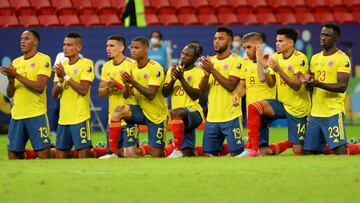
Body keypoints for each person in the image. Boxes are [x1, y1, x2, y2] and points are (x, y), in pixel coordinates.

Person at [239, 28, 311, 157]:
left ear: (290, 43)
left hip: (298, 108)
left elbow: (296, 86)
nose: (276, 43)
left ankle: (337, 147)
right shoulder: (276, 57)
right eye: (276, 40)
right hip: (282, 104)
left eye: (280, 41)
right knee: (254, 107)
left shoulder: (300, 58)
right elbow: (270, 83)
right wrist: (265, 67)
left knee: (299, 151)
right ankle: (254, 149)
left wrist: (279, 70)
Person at [101, 37, 168, 158]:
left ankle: (163, 148)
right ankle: (112, 152)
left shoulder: (155, 67)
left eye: (137, 47)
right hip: (140, 110)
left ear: (146, 50)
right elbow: (127, 94)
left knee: (156, 154)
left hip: (156, 114)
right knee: (118, 111)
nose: (133, 50)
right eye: (131, 47)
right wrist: (126, 86)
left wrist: (133, 82)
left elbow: (151, 94)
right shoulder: (132, 68)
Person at [299, 23, 355, 155]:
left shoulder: (342, 58)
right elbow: (311, 86)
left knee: (340, 151)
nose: (323, 38)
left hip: (333, 112)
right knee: (308, 152)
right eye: (322, 34)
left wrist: (318, 84)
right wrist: (306, 83)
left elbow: (342, 87)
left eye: (327, 35)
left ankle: (356, 146)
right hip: (316, 113)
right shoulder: (315, 58)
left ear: (335, 38)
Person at [0, 30, 52, 159]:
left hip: (36, 114)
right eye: (21, 39)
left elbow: (40, 87)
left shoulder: (43, 59)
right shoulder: (16, 62)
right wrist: (11, 80)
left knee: (43, 153)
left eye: (26, 38)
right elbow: (10, 93)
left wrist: (16, 75)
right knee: (13, 153)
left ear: (35, 42)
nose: (22, 41)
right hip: (17, 115)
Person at [198, 26, 245, 156]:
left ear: (229, 42)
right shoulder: (210, 61)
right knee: (208, 154)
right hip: (212, 117)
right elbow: (201, 91)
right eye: (215, 39)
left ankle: (242, 145)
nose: (216, 41)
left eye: (220, 39)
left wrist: (212, 70)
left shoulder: (237, 60)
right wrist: (206, 75)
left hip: (231, 115)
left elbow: (230, 85)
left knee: (237, 153)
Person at [52, 32, 95, 158]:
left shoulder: (86, 64)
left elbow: (83, 90)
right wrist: (60, 81)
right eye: (64, 44)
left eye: (69, 45)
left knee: (83, 155)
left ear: (78, 48)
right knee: (61, 155)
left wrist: (65, 76)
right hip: (63, 118)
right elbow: (54, 94)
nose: (65, 47)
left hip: (80, 117)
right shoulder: (61, 66)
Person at [98, 35, 138, 159]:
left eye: (111, 46)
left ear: (121, 48)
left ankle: (146, 147)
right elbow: (100, 94)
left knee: (129, 154)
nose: (108, 49)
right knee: (115, 154)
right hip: (113, 118)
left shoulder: (132, 65)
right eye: (107, 46)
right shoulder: (106, 66)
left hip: (128, 116)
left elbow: (135, 92)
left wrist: (119, 86)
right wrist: (109, 88)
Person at [162, 43, 204, 158]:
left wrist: (181, 79)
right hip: (180, 119)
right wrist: (172, 80)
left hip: (194, 112)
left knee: (175, 112)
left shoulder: (199, 72)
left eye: (188, 55)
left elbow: (195, 95)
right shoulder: (173, 70)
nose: (183, 57)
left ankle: (176, 148)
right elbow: (165, 93)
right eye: (183, 53)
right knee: (188, 153)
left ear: (195, 58)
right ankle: (176, 146)